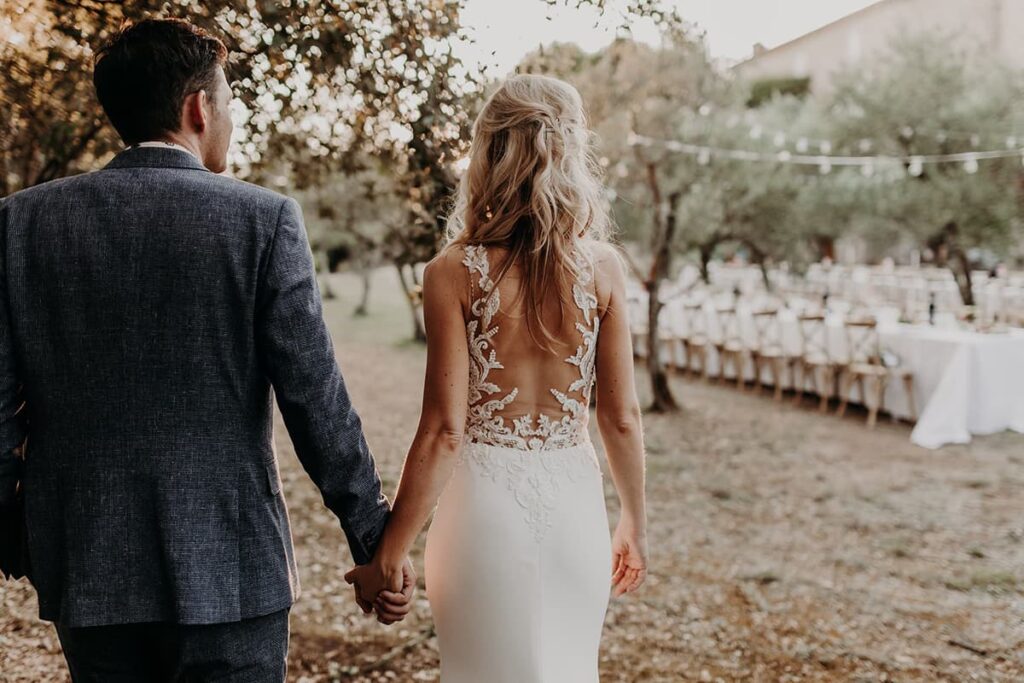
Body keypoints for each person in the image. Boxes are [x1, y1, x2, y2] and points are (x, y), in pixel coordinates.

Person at [0, 18, 412, 681]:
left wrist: (15, 528)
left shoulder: (21, 223)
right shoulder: (263, 220)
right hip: (232, 569)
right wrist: (375, 540)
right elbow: (316, 401)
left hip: (88, 562)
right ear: (198, 107)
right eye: (228, 101)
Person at [345, 74, 649, 682]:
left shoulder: (451, 272)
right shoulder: (605, 268)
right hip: (574, 513)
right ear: (570, 153)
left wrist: (390, 555)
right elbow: (620, 417)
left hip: (482, 512)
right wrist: (634, 522)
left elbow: (443, 431)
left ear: (487, 154)